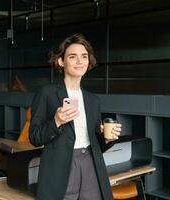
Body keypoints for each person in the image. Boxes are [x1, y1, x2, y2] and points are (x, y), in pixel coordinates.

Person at [29, 33, 121, 200]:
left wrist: (107, 139)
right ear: (61, 61)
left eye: (84, 56)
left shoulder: (93, 100)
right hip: (60, 167)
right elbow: (34, 137)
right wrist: (56, 121)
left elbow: (96, 144)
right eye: (73, 56)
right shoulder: (47, 93)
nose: (80, 61)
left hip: (91, 164)